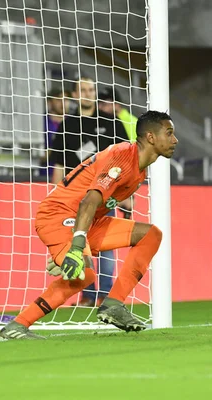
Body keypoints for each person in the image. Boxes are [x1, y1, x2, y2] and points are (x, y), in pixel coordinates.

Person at [0, 110, 178, 339]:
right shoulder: (123, 156)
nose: (175, 140)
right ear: (151, 137)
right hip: (59, 215)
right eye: (169, 133)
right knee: (84, 276)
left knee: (150, 234)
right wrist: (75, 246)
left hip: (89, 220)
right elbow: (88, 200)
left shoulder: (139, 168)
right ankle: (17, 325)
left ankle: (113, 305)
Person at [50, 77, 129, 307]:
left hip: (105, 194)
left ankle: (104, 293)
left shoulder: (111, 122)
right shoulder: (67, 125)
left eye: (91, 89)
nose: (87, 93)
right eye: (82, 90)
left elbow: (127, 159)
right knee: (79, 243)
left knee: (104, 243)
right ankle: (88, 293)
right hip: (76, 195)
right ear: (75, 95)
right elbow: (59, 163)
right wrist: (55, 195)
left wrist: (127, 196)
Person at [40, 87, 69, 180]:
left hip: (68, 178)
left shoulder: (74, 123)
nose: (63, 103)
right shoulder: (40, 122)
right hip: (44, 176)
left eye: (66, 99)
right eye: (58, 99)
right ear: (49, 102)